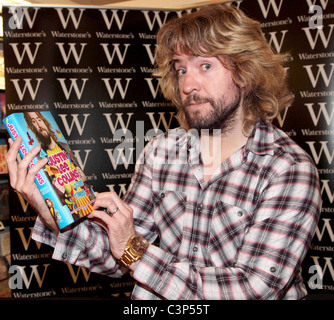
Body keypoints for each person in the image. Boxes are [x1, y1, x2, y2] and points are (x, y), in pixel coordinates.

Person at [6, 4, 321, 300]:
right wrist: (51, 207)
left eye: (206, 66)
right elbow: (115, 256)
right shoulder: (161, 152)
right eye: (181, 69)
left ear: (245, 72)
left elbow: (253, 289)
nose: (188, 85)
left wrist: (135, 249)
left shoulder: (287, 168)